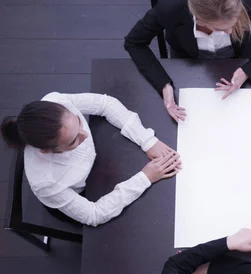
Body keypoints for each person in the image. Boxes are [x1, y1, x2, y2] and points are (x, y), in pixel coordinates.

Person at [1, 92, 181, 226]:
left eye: (79, 123)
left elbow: (106, 104)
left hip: (100, 164)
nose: (86, 135)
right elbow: (94, 215)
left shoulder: (56, 102)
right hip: (83, 193)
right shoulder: (46, 183)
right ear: (47, 151)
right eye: (73, 141)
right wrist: (145, 177)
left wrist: (147, 140)